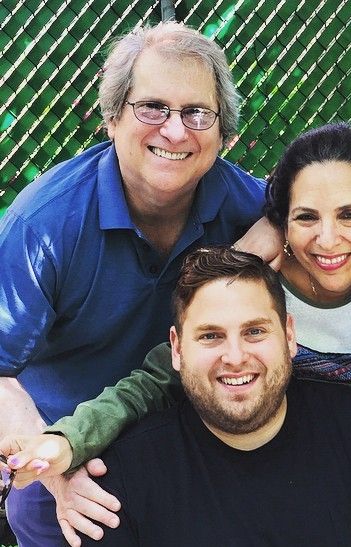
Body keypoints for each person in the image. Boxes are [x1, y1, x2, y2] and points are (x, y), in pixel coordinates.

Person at [1, 123, 351, 538]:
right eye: (306, 217)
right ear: (282, 223)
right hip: (312, 479)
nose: (328, 239)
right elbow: (155, 380)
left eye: (350, 215)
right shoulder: (257, 288)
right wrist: (70, 441)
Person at [0, 21, 273, 546]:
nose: (175, 131)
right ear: (111, 118)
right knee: (47, 513)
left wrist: (273, 231)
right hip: (73, 441)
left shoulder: (247, 204)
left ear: (225, 134)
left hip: (194, 427)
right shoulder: (44, 224)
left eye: (198, 113)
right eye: (152, 108)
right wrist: (57, 469)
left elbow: (341, 205)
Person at [18, 246, 351, 546]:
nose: (235, 356)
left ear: (289, 336)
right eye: (210, 336)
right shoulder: (123, 483)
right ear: (176, 348)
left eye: (254, 331)